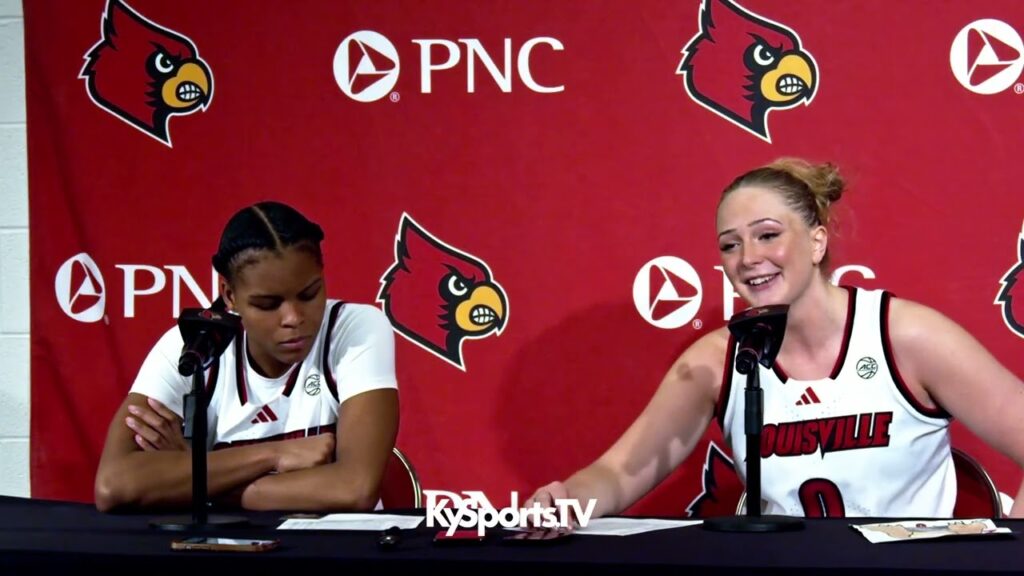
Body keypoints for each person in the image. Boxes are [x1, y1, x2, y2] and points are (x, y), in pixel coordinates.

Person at [528, 158, 1024, 520]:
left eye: (767, 235)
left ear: (816, 241)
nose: (747, 257)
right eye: (730, 244)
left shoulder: (905, 335)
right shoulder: (717, 359)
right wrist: (563, 504)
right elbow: (616, 475)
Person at [94, 201, 399, 512]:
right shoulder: (192, 346)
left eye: (309, 294)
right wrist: (274, 455)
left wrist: (194, 478)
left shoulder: (353, 329)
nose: (293, 317)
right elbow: (113, 486)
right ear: (229, 295)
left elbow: (355, 489)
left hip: (337, 555)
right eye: (268, 304)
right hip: (223, 557)